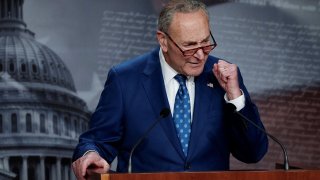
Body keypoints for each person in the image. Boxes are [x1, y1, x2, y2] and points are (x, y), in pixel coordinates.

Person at [72, 0, 268, 179]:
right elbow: (96, 141)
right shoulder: (125, 79)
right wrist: (90, 155)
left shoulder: (224, 77)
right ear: (163, 41)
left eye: (206, 42)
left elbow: (253, 153)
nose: (200, 55)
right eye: (189, 46)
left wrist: (235, 97)